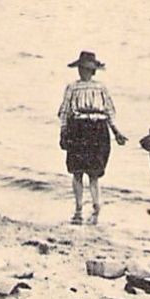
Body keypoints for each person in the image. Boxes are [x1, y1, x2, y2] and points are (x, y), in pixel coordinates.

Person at [58, 51, 126, 224]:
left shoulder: (101, 87)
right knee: (77, 171)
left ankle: (96, 207)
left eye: (87, 69)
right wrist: (64, 131)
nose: (83, 72)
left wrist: (116, 132)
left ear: (93, 71)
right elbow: (64, 111)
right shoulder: (72, 87)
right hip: (78, 129)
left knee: (95, 172)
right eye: (81, 68)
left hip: (97, 130)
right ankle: (79, 208)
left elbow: (109, 111)